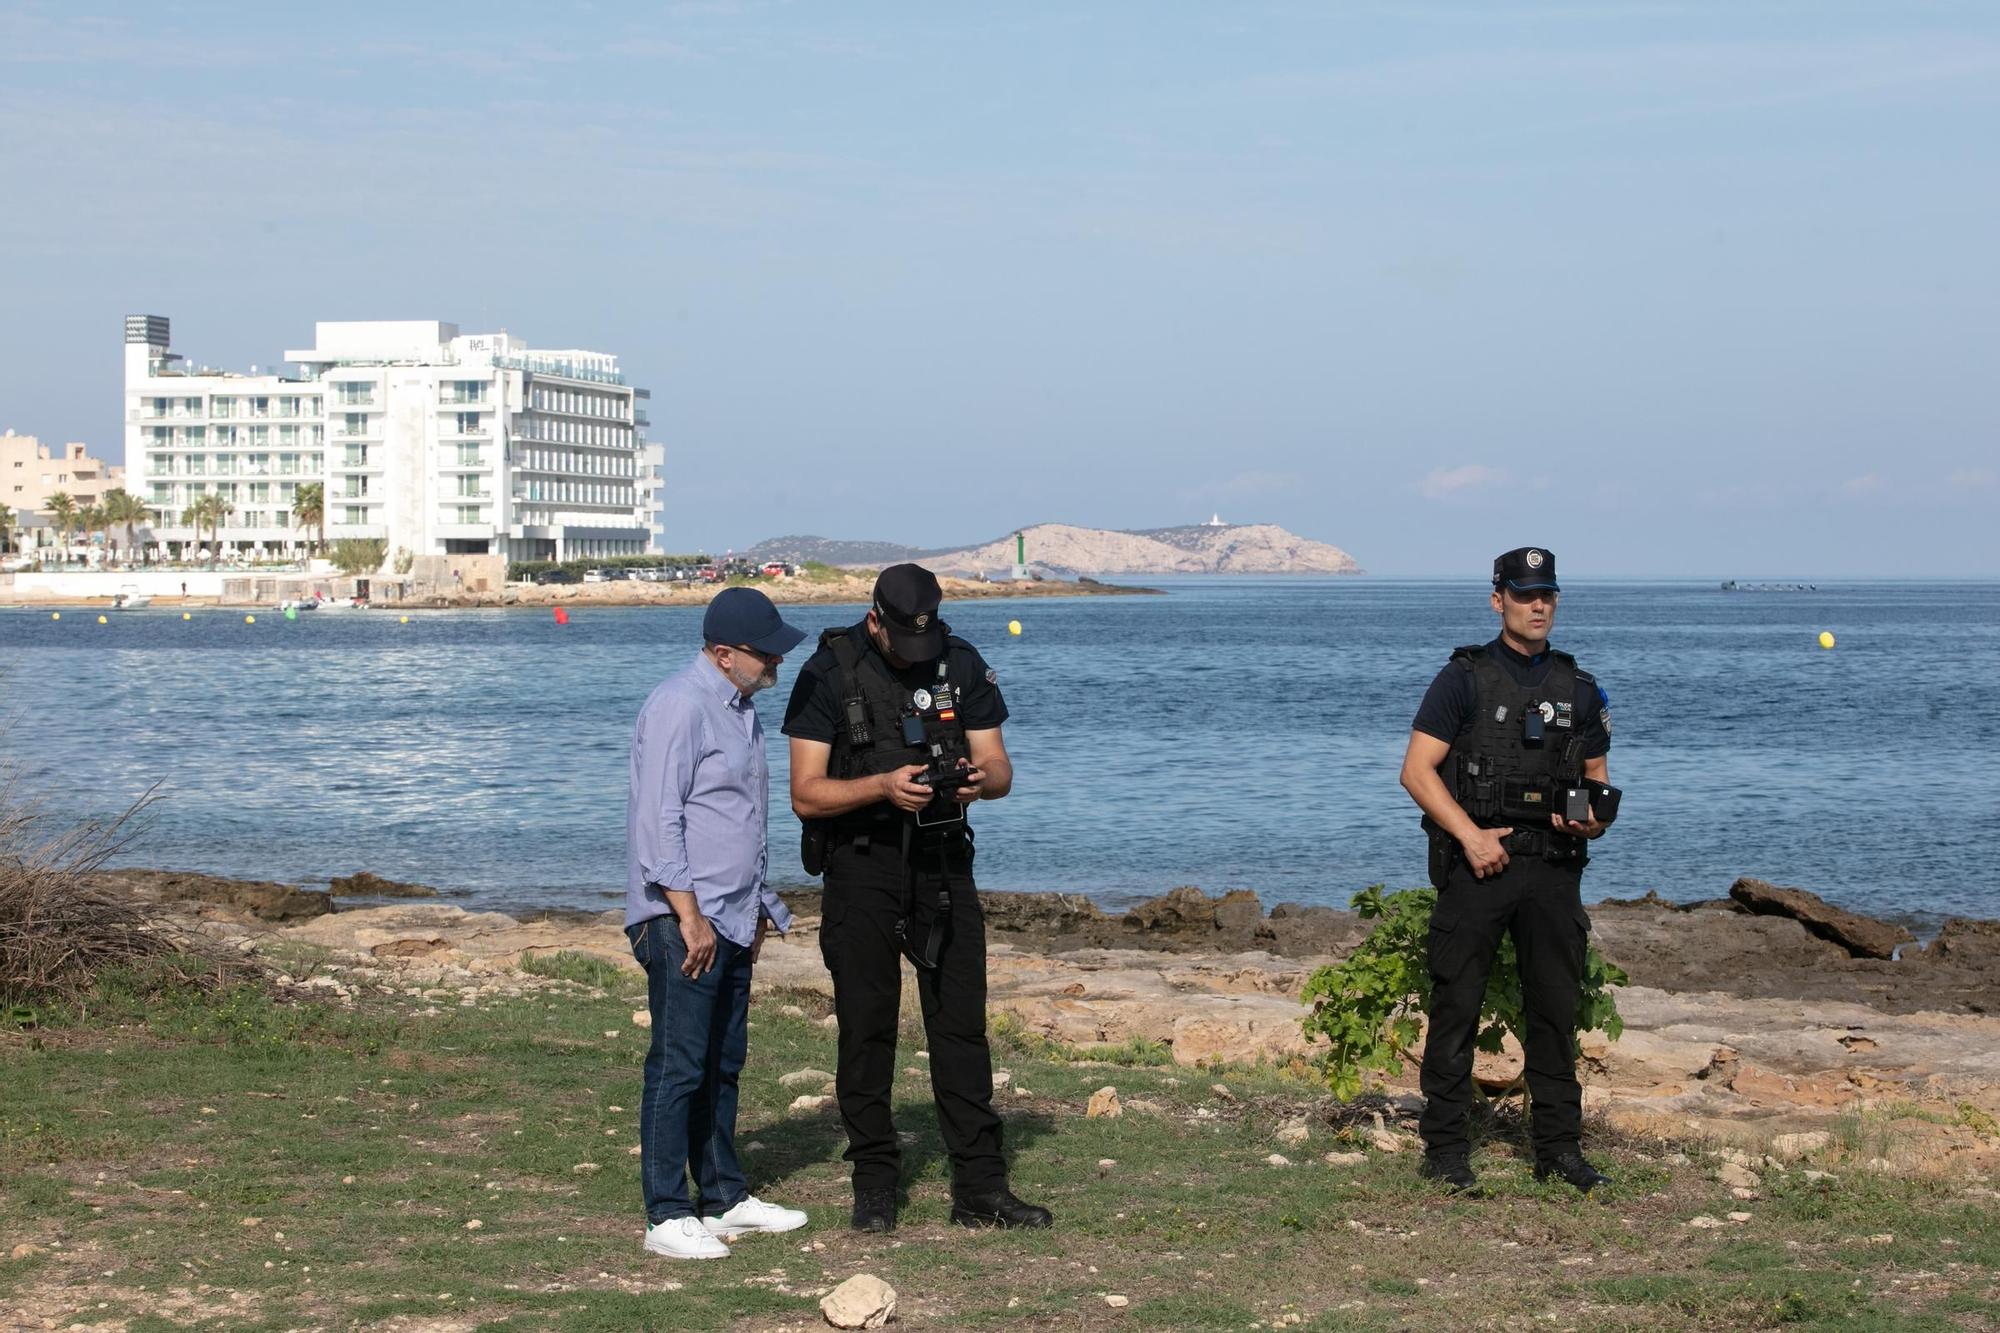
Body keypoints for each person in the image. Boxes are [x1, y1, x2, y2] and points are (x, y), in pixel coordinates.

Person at [783, 564, 1051, 1233]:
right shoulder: (827, 670)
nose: (914, 654)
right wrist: (881, 787)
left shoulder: (960, 662)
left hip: (943, 862)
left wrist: (978, 781)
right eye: (903, 641)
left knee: (960, 1027)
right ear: (875, 620)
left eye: (922, 642)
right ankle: (875, 1185)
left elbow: (1000, 767)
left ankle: (980, 1188)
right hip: (861, 867)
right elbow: (805, 793)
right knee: (866, 1028)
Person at [1399, 547, 1617, 1195]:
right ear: (1499, 600)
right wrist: (1469, 836)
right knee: (1456, 1006)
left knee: (1554, 1011)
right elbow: (1416, 771)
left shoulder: (1580, 690)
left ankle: (1559, 1151)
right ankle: (1445, 1151)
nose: (1537, 605)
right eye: (1524, 594)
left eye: (1546, 594)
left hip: (1552, 870)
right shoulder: (1462, 679)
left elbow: (1598, 786)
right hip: (1478, 867)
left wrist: (1588, 820)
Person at [626, 586, 810, 1260]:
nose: (777, 662)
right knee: (678, 1064)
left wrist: (758, 906)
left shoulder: (742, 710)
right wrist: (689, 914)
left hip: (731, 917)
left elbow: (741, 822)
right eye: (767, 652)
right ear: (724, 652)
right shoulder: (679, 704)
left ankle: (724, 1196)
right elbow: (660, 819)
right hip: (682, 919)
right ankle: (666, 1212)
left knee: (722, 1062)